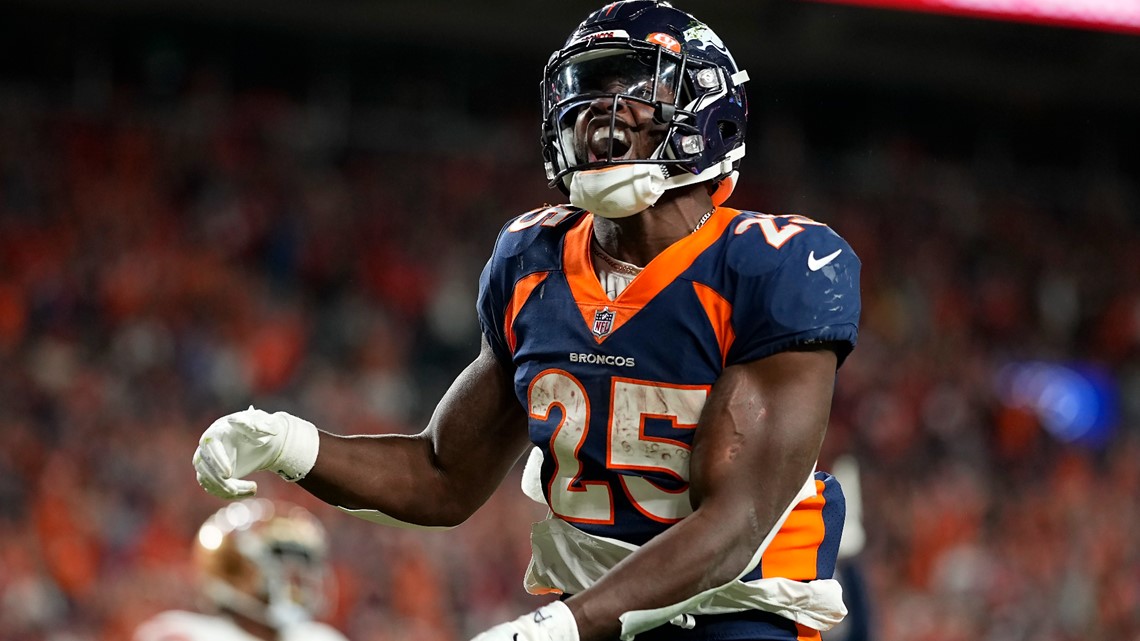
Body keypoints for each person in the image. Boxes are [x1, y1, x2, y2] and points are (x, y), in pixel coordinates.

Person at [192, 2, 861, 640]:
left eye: (633, 88)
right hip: (582, 607)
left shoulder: (775, 266)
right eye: (589, 88)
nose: (601, 111)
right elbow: (441, 475)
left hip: (734, 609)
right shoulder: (533, 258)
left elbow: (734, 522)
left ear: (706, 114)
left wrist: (566, 625)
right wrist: (286, 441)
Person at [133, 499, 350, 641]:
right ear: (234, 569)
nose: (295, 580)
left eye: (302, 567)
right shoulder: (184, 634)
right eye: (281, 565)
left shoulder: (321, 637)